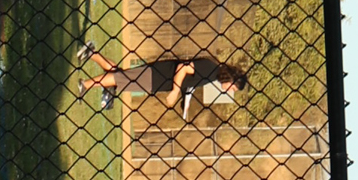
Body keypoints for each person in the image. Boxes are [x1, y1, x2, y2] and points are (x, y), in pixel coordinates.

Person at [79, 55, 247, 116]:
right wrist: (175, 91)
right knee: (119, 79)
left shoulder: (212, 75)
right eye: (232, 87)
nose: (230, 90)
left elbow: (189, 83)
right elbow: (183, 67)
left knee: (120, 75)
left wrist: (185, 101)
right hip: (158, 75)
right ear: (231, 79)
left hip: (158, 80)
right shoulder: (211, 68)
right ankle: (85, 85)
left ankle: (90, 53)